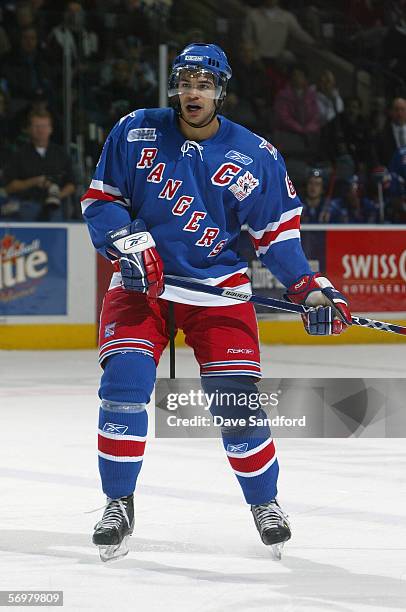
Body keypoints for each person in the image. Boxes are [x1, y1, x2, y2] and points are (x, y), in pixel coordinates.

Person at [81, 43, 352, 563]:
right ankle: (118, 503)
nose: (192, 93)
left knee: (237, 402)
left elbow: (277, 238)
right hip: (143, 289)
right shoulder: (135, 130)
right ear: (175, 87)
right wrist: (128, 244)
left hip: (217, 293)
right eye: (185, 83)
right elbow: (102, 200)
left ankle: (265, 502)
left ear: (220, 91)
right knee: (123, 389)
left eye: (204, 85)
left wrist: (311, 288)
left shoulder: (256, 156)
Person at [3, 109, 76, 221]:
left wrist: (57, 195)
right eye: (37, 126)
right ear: (29, 129)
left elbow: (72, 184)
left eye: (44, 126)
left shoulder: (61, 154)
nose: (41, 130)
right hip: (27, 204)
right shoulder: (19, 154)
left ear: (51, 129)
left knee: (56, 214)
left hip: (56, 206)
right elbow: (9, 187)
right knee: (27, 211)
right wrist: (34, 181)